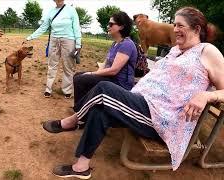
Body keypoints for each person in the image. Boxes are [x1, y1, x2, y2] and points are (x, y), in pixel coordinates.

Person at [42, 7, 224, 179]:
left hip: (163, 119)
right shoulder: (176, 51)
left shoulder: (207, 51)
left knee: (104, 88)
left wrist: (206, 95)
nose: (175, 29)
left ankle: (73, 121)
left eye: (180, 25)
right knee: (100, 110)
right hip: (142, 103)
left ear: (196, 28)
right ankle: (81, 167)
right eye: (174, 24)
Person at [73, 11, 137, 106]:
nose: (108, 26)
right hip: (110, 79)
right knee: (78, 76)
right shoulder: (115, 43)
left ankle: (82, 113)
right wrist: (94, 75)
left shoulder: (126, 44)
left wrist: (92, 74)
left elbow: (113, 70)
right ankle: (85, 107)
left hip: (120, 84)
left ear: (121, 27)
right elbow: (105, 63)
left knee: (81, 80)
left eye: (111, 24)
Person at [25, 0, 82, 99]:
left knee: (68, 66)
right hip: (54, 40)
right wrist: (31, 37)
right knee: (52, 65)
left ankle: (67, 90)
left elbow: (76, 27)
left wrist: (78, 44)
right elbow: (43, 27)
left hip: (68, 40)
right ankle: (48, 89)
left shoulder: (71, 10)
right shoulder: (51, 12)